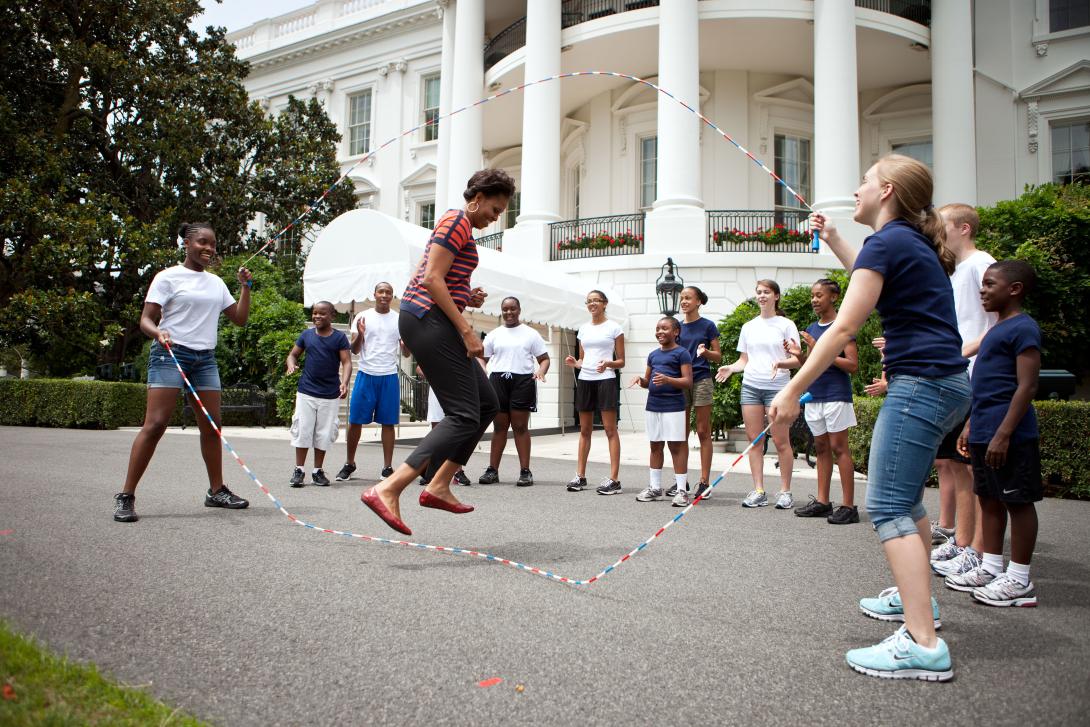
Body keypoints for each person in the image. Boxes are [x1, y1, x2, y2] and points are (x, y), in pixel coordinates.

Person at [770, 154, 970, 681]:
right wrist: (836, 239)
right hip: (948, 384)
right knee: (905, 502)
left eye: (863, 182)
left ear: (886, 191)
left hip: (921, 383)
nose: (855, 189)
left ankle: (923, 644)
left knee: (885, 507)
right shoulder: (904, 241)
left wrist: (792, 391)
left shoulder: (890, 243)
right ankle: (917, 606)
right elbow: (866, 273)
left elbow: (840, 329)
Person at [360, 169, 513, 535]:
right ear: (477, 199)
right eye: (495, 208)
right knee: (462, 414)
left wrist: (465, 295)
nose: (496, 216)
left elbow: (438, 276)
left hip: (430, 319)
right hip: (429, 320)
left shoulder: (460, 228)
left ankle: (440, 484)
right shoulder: (455, 221)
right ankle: (389, 487)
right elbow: (430, 278)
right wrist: (466, 331)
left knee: (486, 403)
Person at [113, 222, 253, 522]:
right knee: (157, 424)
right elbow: (146, 320)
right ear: (186, 244)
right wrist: (158, 333)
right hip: (170, 354)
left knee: (212, 426)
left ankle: (216, 491)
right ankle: (126, 495)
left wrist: (245, 286)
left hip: (205, 360)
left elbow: (239, 319)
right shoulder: (167, 277)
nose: (209, 249)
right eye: (203, 242)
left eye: (213, 244)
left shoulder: (216, 283)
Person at [948, 260, 1041, 607]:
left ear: (1014, 289)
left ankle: (1018, 579)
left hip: (1011, 434)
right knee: (988, 498)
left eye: (990, 284)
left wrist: (1003, 434)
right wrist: (972, 425)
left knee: (1017, 501)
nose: (982, 290)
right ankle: (990, 565)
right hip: (983, 429)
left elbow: (1027, 386)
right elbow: (983, 386)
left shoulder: (1023, 328)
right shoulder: (995, 330)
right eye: (982, 284)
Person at [929, 203, 998, 578]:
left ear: (965, 228)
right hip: (955, 375)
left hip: (976, 375)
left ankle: (980, 549)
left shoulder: (981, 263)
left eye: (944, 227)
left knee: (971, 467)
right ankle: (963, 540)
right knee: (955, 464)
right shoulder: (954, 271)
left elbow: (1003, 317)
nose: (939, 233)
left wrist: (965, 350)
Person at [714, 280, 800, 509]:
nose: (762, 296)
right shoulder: (748, 326)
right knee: (754, 442)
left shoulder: (786, 324)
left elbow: (797, 359)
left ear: (776, 296)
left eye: (766, 292)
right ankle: (759, 490)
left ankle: (785, 492)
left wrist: (781, 363)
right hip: (751, 386)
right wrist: (731, 368)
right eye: (759, 292)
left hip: (778, 389)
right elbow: (744, 360)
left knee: (782, 441)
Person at [788, 278, 860, 524]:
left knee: (840, 448)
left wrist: (821, 348)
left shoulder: (842, 326)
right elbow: (812, 364)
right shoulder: (812, 327)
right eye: (812, 295)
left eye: (819, 295)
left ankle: (849, 506)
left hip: (836, 396)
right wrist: (799, 356)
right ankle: (822, 501)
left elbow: (852, 365)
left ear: (834, 297)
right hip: (815, 396)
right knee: (820, 448)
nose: (814, 300)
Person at [477, 297, 550, 487]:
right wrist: (483, 369)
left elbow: (544, 359)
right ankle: (492, 470)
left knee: (520, 427)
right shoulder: (493, 334)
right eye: (505, 309)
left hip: (522, 381)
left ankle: (525, 472)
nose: (509, 313)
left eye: (512, 309)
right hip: (498, 381)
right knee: (499, 427)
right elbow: (482, 359)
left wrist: (541, 371)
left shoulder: (531, 334)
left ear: (519, 310)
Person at [336, 282, 402, 482]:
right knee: (355, 421)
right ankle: (349, 463)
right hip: (366, 373)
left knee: (388, 423)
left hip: (389, 375)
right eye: (380, 291)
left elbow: (407, 352)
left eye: (388, 292)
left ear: (392, 296)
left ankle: (387, 467)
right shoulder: (362, 317)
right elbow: (354, 350)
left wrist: (406, 343)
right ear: (374, 294)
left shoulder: (399, 319)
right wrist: (361, 334)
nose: (384, 295)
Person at [564, 290, 626, 495]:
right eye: (589, 302)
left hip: (606, 379)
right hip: (585, 380)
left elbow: (621, 361)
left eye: (596, 301)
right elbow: (583, 359)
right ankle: (580, 476)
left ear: (605, 303)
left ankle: (614, 479)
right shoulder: (583, 329)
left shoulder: (614, 327)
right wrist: (576, 363)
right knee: (584, 430)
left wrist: (609, 363)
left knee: (610, 430)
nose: (592, 304)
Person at [285, 301, 351, 487]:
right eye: (314, 313)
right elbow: (293, 355)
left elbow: (346, 362)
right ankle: (299, 470)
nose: (317, 317)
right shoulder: (306, 335)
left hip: (330, 393)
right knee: (303, 429)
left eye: (322, 314)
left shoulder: (339, 338)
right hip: (306, 391)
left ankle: (317, 471)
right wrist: (291, 364)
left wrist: (344, 383)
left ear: (332, 316)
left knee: (324, 432)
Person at [631, 317, 694, 507]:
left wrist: (668, 380)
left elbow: (688, 382)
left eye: (665, 328)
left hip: (674, 406)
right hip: (653, 406)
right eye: (657, 328)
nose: (660, 332)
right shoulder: (653, 355)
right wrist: (641, 380)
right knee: (655, 446)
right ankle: (655, 488)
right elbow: (649, 382)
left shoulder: (682, 353)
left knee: (676, 447)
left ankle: (682, 491)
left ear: (676, 332)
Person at [676, 286, 722, 500]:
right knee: (680, 433)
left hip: (702, 379)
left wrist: (706, 353)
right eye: (682, 298)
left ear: (698, 302)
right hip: (681, 381)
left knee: (703, 431)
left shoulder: (708, 325)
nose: (684, 301)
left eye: (688, 298)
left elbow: (719, 357)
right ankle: (681, 480)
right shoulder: (676, 327)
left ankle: (704, 482)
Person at [420, 365, 471, 487]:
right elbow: (419, 369)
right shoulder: (432, 346)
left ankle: (458, 472)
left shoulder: (460, 346)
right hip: (438, 389)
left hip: (457, 389)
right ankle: (432, 471)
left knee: (457, 428)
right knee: (437, 430)